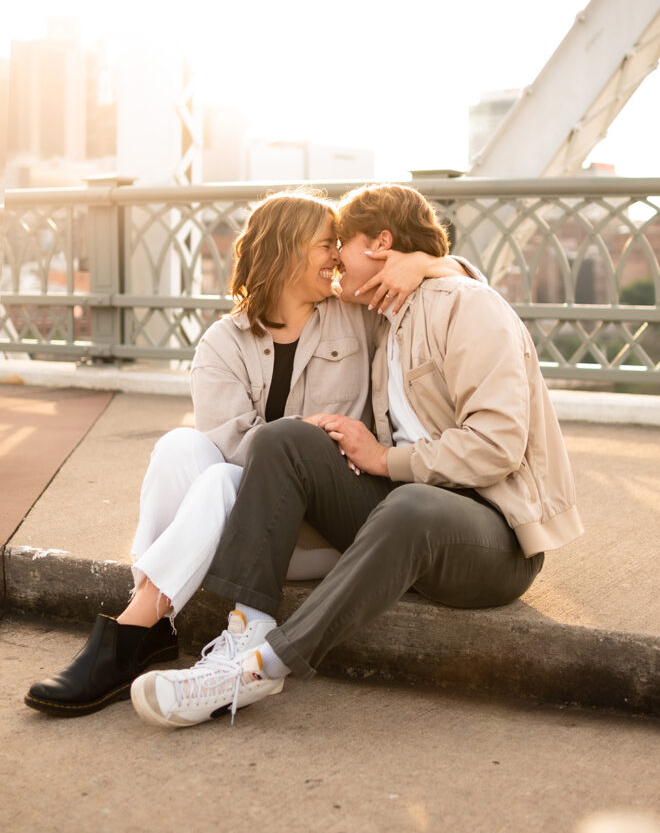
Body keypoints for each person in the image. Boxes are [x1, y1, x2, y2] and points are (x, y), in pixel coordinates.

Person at [130, 183, 584, 729]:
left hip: (492, 538)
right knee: (282, 439)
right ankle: (244, 630)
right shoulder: (381, 314)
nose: (336, 257)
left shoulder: (467, 306)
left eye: (341, 242)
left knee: (411, 504)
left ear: (381, 244)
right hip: (404, 511)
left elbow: (496, 446)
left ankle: (257, 670)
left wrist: (385, 460)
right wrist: (422, 263)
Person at [25, 188, 468, 717]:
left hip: (323, 528)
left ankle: (130, 633)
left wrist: (423, 262)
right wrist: (299, 430)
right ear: (286, 249)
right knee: (179, 445)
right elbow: (232, 447)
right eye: (326, 244)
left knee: (220, 481)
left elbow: (457, 287)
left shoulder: (356, 316)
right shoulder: (223, 342)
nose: (337, 256)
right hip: (252, 531)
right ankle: (150, 622)